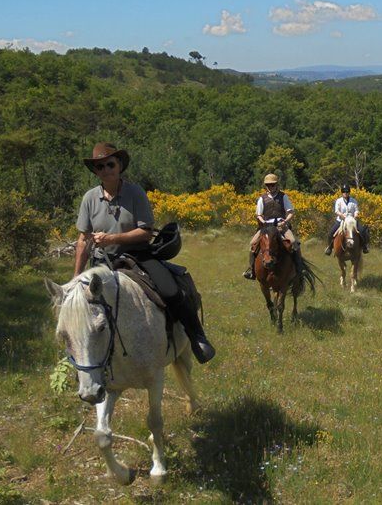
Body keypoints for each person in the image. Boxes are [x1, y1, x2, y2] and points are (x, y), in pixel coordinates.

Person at [74, 142, 215, 364]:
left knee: (170, 290)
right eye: (100, 167)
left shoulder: (134, 192)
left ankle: (197, 337)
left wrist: (111, 238)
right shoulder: (89, 198)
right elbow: (83, 239)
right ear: (96, 171)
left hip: (137, 255)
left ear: (119, 165)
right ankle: (84, 360)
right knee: (82, 307)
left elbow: (145, 232)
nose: (105, 170)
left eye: (110, 164)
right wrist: (76, 277)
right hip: (102, 262)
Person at [243, 173, 304, 279]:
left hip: (281, 225)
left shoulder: (283, 196)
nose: (270, 187)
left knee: (294, 242)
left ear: (276, 185)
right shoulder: (262, 198)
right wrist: (263, 222)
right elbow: (258, 214)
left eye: (272, 185)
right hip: (266, 227)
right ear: (266, 186)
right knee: (252, 243)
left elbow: (291, 212)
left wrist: (285, 221)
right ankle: (252, 270)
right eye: (268, 185)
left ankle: (299, 268)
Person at [324, 184, 369, 255]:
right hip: (341, 220)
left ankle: (364, 246)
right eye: (344, 191)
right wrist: (342, 216)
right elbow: (336, 211)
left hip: (352, 220)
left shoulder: (354, 201)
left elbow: (356, 210)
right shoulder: (338, 201)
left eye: (347, 191)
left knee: (362, 231)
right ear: (342, 192)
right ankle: (329, 248)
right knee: (331, 233)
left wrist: (356, 214)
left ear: (349, 192)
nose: (345, 193)